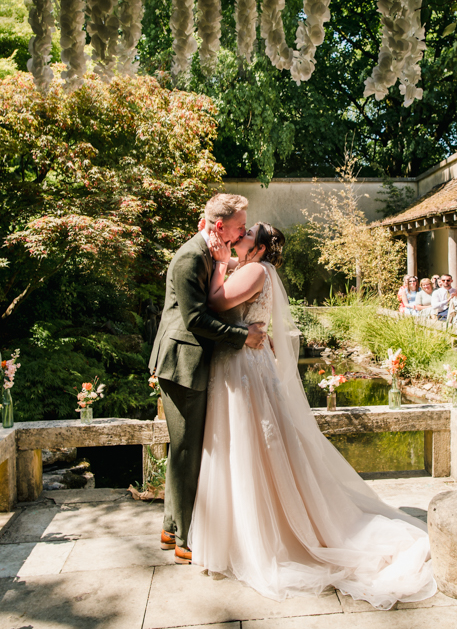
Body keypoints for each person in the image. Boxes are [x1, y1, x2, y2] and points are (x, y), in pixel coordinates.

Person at [192, 221, 437, 608]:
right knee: (244, 444)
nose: (241, 235)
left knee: (250, 444)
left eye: (248, 233)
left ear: (261, 247)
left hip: (245, 365)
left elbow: (216, 304)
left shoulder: (255, 271)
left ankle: (265, 534)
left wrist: (220, 263)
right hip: (241, 362)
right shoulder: (252, 268)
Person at [149, 194, 267, 564]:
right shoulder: (191, 256)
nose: (243, 231)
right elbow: (195, 319)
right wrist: (243, 336)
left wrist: (223, 263)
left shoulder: (211, 253)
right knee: (187, 451)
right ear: (220, 226)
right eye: (239, 226)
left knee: (185, 448)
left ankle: (171, 527)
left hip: (192, 362)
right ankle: (185, 541)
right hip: (182, 364)